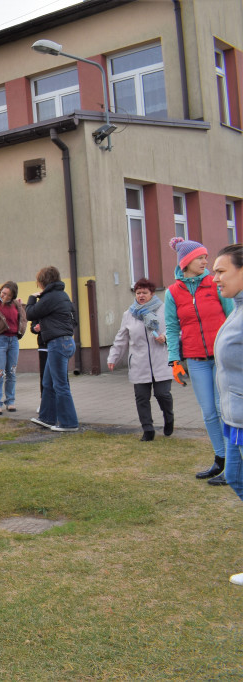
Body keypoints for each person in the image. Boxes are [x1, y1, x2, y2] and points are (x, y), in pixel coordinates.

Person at [165, 237, 234, 485]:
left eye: (206, 256)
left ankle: (234, 468)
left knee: (222, 408)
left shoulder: (215, 284)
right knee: (208, 412)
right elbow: (172, 328)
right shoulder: (173, 292)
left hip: (221, 357)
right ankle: (221, 459)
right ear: (186, 261)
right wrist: (174, 359)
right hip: (195, 359)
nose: (206, 261)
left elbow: (232, 316)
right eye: (201, 257)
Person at [106, 277, 174, 441]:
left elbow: (176, 330)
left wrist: (164, 337)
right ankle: (148, 429)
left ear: (152, 293)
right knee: (142, 397)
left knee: (162, 394)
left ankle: (169, 418)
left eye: (144, 292)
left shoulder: (164, 310)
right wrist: (113, 357)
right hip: (139, 362)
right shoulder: (129, 314)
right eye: (138, 293)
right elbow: (121, 338)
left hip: (161, 360)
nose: (141, 295)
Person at [210, 244, 243, 585]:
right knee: (234, 476)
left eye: (221, 271)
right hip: (233, 418)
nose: (214, 277)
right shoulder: (235, 308)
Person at [26, 266, 79, 432]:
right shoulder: (62, 295)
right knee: (48, 382)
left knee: (60, 385)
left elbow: (30, 313)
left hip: (58, 344)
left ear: (43, 282)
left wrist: (31, 299)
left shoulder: (50, 297)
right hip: (64, 342)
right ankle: (47, 418)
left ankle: (69, 423)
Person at [0, 281, 27, 415]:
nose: (3, 296)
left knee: (12, 372)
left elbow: (22, 319)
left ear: (12, 297)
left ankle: (10, 401)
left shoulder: (16, 304)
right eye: (2, 293)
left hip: (13, 340)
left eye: (7, 295)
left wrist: (21, 331)